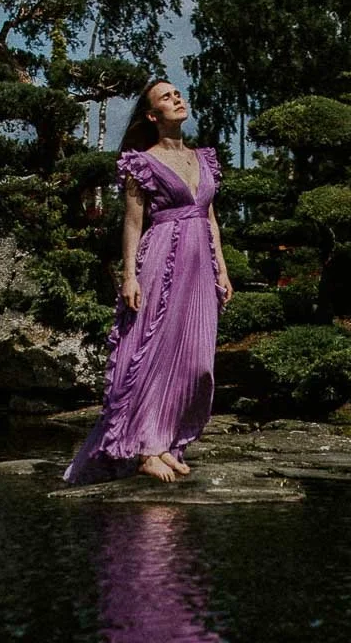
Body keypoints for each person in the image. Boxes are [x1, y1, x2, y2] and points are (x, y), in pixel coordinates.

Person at [64, 80, 234, 485]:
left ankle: (167, 442)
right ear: (152, 116)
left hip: (201, 264)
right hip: (161, 259)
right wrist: (129, 276)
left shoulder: (204, 158)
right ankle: (145, 448)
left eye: (178, 93)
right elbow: (132, 223)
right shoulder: (141, 162)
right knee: (151, 351)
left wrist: (222, 270)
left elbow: (209, 218)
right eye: (166, 97)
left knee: (196, 361)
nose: (177, 99)